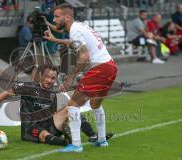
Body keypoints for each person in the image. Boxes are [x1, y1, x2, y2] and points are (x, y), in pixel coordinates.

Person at [44, 4, 118, 152]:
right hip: (110, 66)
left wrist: (70, 78)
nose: (54, 19)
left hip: (100, 69)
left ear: (67, 17)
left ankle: (76, 145)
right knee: (95, 105)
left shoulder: (75, 30)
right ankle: (102, 140)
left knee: (72, 105)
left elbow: (84, 56)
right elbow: (74, 43)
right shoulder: (79, 27)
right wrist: (55, 38)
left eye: (57, 16)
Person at [0, 64, 112, 146]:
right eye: (47, 77)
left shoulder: (53, 93)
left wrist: (63, 122)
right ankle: (65, 141)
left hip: (49, 125)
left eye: (53, 78)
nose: (49, 80)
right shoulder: (29, 87)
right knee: (43, 135)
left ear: (56, 79)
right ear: (41, 75)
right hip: (31, 129)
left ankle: (93, 136)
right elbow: (7, 92)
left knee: (71, 109)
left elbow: (53, 114)